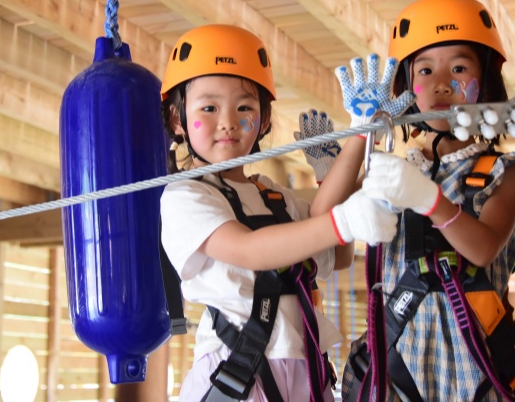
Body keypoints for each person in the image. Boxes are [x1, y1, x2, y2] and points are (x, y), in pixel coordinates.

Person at [158, 24, 400, 402]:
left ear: (265, 119)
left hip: (306, 370)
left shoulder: (274, 197)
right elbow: (250, 249)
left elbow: (334, 253)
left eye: (244, 107)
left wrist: (359, 135)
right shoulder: (185, 197)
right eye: (209, 108)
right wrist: (344, 220)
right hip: (235, 371)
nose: (228, 121)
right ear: (177, 119)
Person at [319, 0, 515, 401]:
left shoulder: (506, 172)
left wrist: (428, 199)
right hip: (393, 371)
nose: (441, 82)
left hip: (472, 375)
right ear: (407, 88)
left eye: (458, 68)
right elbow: (322, 223)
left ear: (486, 82)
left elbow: (483, 249)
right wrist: (361, 132)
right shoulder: (389, 175)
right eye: (425, 69)